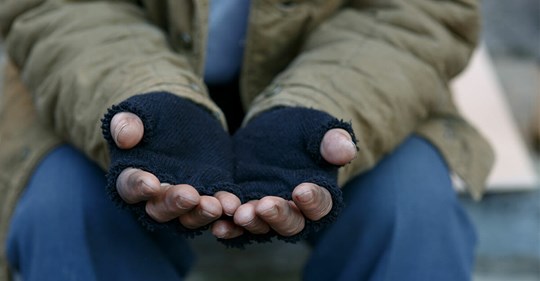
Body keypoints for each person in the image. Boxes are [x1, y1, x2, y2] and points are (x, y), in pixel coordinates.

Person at [0, 0, 494, 280]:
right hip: (99, 77)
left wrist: (314, 105)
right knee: (63, 209)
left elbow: (418, 11)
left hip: (362, 83)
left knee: (411, 210)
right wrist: (144, 95)